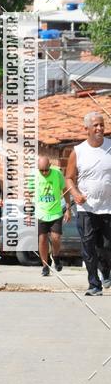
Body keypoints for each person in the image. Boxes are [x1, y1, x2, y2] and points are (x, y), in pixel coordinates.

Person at [65, 111, 111, 296]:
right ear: (87, 129)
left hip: (108, 207)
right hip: (86, 209)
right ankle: (94, 285)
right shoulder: (78, 151)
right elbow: (69, 178)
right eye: (96, 125)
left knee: (107, 247)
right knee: (88, 248)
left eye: (102, 125)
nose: (100, 128)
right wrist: (75, 194)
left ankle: (106, 271)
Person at [31, 157, 72, 276]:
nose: (44, 172)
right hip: (41, 213)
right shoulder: (34, 176)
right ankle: (45, 266)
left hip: (56, 212)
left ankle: (56, 257)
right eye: (41, 170)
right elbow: (29, 194)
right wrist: (28, 212)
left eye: (46, 170)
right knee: (42, 239)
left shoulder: (57, 174)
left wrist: (68, 209)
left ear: (50, 166)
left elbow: (65, 190)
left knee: (56, 238)